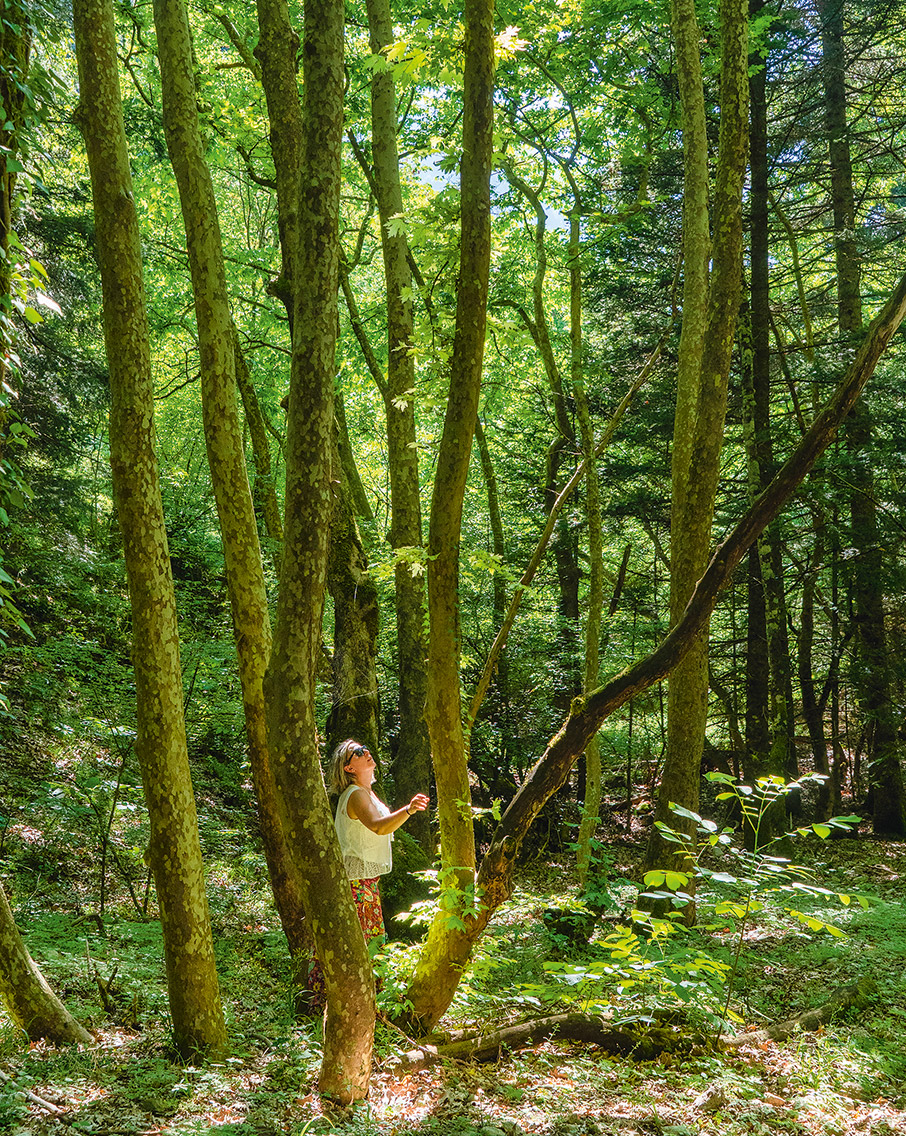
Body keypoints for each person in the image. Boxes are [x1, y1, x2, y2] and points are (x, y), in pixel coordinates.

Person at [305, 739, 429, 1009]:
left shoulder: (366, 793)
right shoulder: (356, 795)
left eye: (365, 749)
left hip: (364, 882)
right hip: (356, 885)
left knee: (365, 944)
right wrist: (409, 810)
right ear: (349, 767)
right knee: (362, 945)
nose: (366, 753)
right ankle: (344, 1005)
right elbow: (379, 827)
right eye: (358, 752)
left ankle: (358, 1004)